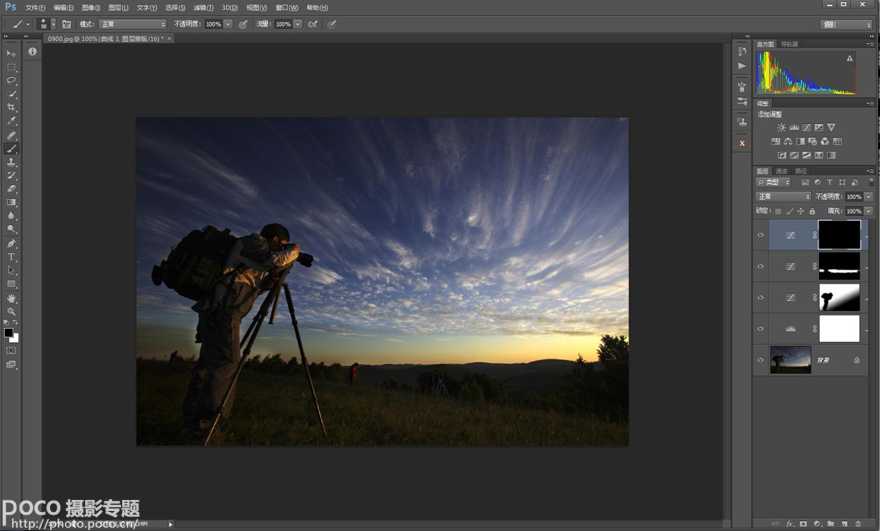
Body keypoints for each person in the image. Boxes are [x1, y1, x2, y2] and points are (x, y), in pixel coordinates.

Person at [182, 223, 300, 442]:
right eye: (282, 244)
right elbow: (274, 261)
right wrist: (295, 251)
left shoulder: (252, 254)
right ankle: (207, 427)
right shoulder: (256, 242)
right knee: (226, 364)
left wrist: (275, 277)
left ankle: (191, 421)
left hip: (216, 309)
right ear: (275, 239)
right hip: (225, 311)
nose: (282, 249)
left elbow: (259, 283)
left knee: (208, 364)